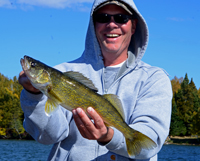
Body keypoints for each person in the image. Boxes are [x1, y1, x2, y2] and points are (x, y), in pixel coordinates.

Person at [19, 0, 172, 160]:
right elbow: (47, 136)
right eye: (103, 17)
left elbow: (149, 144)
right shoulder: (64, 72)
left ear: (133, 26)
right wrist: (33, 95)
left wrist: (109, 136)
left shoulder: (154, 78)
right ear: (93, 25)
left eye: (121, 18)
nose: (112, 24)